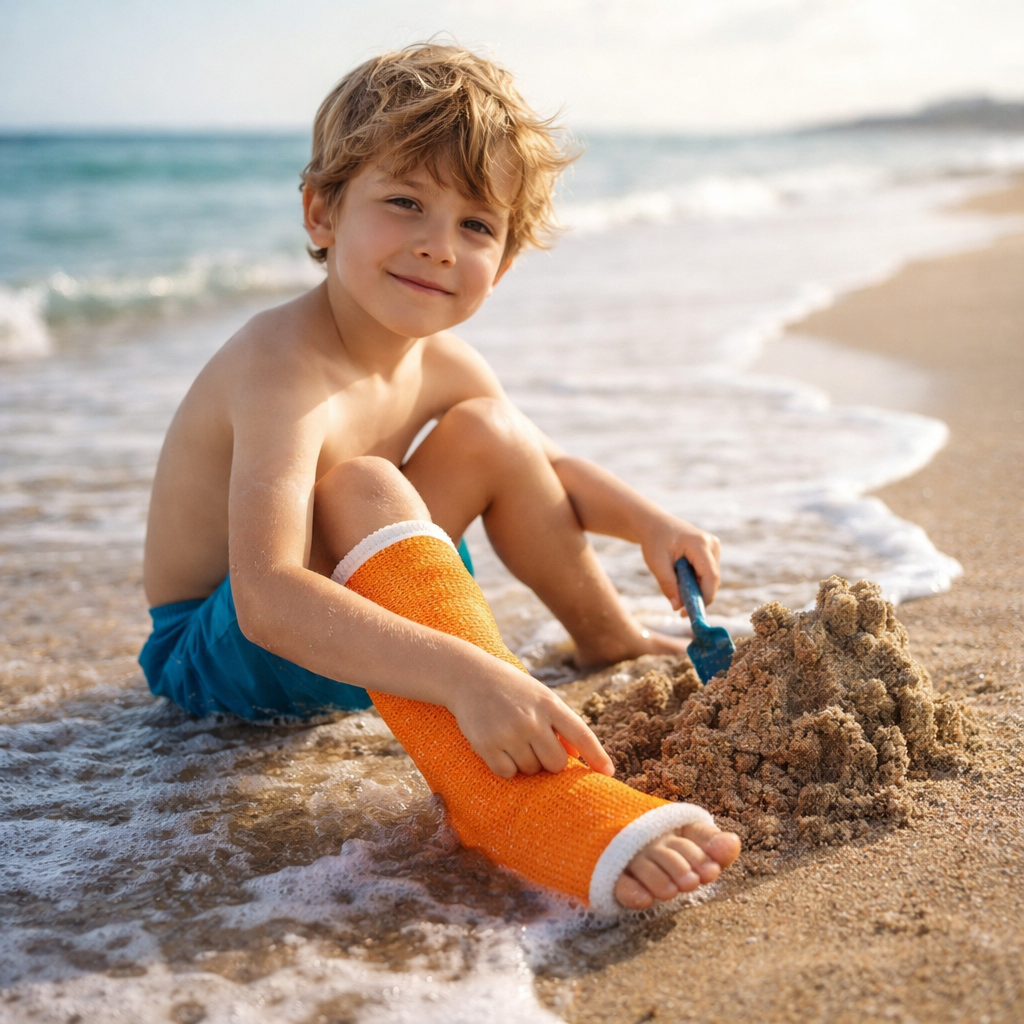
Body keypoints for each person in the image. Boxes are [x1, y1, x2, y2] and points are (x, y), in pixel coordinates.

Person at [140, 42, 739, 912]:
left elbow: (541, 466)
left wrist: (649, 521)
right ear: (320, 213)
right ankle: (501, 800)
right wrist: (470, 676)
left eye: (476, 225)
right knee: (362, 485)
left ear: (505, 260)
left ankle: (604, 632)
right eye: (404, 203)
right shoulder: (281, 364)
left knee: (492, 430)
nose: (437, 246)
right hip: (227, 656)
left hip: (361, 634)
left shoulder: (444, 362)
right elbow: (265, 593)